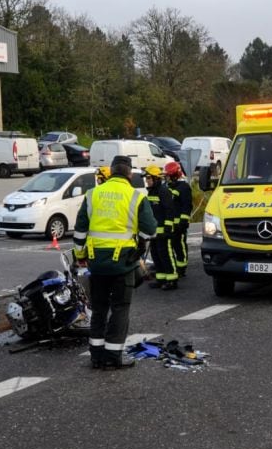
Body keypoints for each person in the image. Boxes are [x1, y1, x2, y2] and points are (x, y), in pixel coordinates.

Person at [73, 156, 156, 369]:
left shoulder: (93, 194)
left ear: (110, 172)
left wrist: (80, 255)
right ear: (129, 174)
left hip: (96, 263)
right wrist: (140, 243)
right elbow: (150, 230)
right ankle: (112, 357)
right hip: (123, 264)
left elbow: (80, 230)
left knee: (99, 308)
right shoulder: (136, 197)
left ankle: (96, 356)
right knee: (120, 308)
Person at [144, 165, 179, 290]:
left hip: (164, 231)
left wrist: (168, 227)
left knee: (166, 254)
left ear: (156, 178)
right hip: (154, 232)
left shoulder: (163, 191)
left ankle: (172, 279)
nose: (147, 180)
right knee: (156, 254)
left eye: (148, 178)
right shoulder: (151, 191)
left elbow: (169, 210)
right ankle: (161, 278)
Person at [164, 161, 192, 278]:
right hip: (170, 224)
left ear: (175, 175)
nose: (167, 178)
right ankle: (174, 266)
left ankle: (181, 267)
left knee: (179, 246)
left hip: (179, 224)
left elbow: (187, 206)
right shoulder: (169, 187)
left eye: (168, 176)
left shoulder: (184, 187)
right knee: (171, 246)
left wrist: (183, 222)